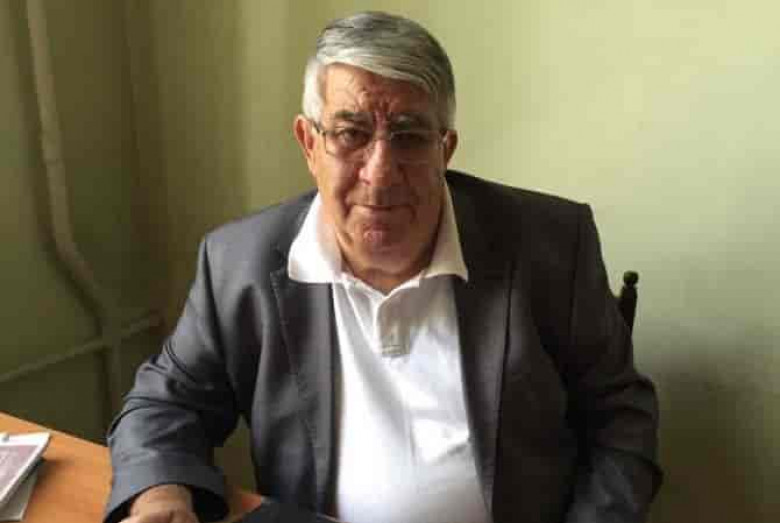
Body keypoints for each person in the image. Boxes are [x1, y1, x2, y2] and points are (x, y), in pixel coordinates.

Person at [105, 11, 662, 523]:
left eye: (409, 137)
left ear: (445, 148)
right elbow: (166, 402)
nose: (380, 172)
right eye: (350, 134)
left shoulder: (549, 244)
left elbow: (622, 417)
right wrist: (161, 494)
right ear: (309, 142)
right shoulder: (241, 262)